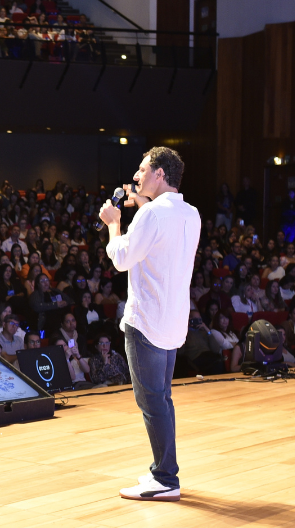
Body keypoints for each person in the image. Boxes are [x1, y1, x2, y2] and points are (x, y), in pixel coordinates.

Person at [99, 147, 200, 502]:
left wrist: (113, 224)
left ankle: (165, 479)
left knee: (152, 402)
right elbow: (160, 242)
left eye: (142, 170)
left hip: (146, 321)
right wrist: (143, 206)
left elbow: (121, 258)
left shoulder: (151, 215)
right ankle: (163, 470)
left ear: (159, 174)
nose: (136, 176)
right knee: (162, 400)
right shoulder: (191, 213)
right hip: (172, 322)